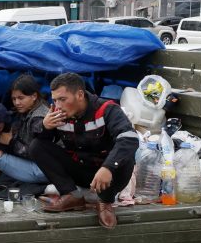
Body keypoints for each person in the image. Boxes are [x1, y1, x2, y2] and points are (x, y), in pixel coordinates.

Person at [29, 72, 139, 229]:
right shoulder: (58, 114)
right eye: (54, 100)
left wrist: (108, 166)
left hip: (108, 175)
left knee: (126, 156)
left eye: (62, 99)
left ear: (79, 94)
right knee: (36, 146)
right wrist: (44, 127)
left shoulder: (107, 110)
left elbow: (130, 139)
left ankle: (105, 202)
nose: (58, 105)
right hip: (81, 171)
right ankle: (72, 195)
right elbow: (41, 142)